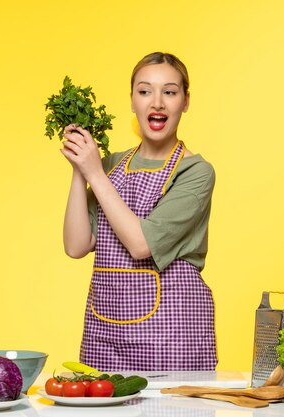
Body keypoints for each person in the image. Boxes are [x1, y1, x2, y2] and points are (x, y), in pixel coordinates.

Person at [60, 52, 217, 371]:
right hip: (105, 338)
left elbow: (141, 245)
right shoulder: (109, 166)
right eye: (145, 91)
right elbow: (76, 246)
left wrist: (94, 173)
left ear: (185, 101)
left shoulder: (196, 172)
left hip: (172, 339)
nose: (157, 102)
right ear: (132, 100)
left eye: (170, 92)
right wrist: (80, 169)